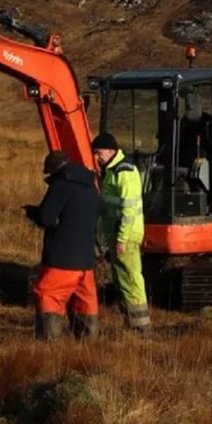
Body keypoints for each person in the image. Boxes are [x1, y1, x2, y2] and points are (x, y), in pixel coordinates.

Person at [23, 150, 100, 341]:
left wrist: (33, 212)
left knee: (48, 296)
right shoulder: (92, 187)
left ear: (53, 170)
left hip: (61, 259)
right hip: (86, 263)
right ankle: (89, 349)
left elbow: (47, 218)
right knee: (84, 305)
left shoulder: (61, 185)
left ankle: (50, 348)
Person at [91, 132, 152, 333]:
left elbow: (129, 209)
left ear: (110, 151)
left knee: (131, 278)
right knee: (122, 280)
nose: (96, 157)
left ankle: (142, 327)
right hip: (116, 234)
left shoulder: (124, 172)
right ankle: (131, 322)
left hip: (125, 235)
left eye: (98, 152)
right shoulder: (110, 170)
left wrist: (122, 239)